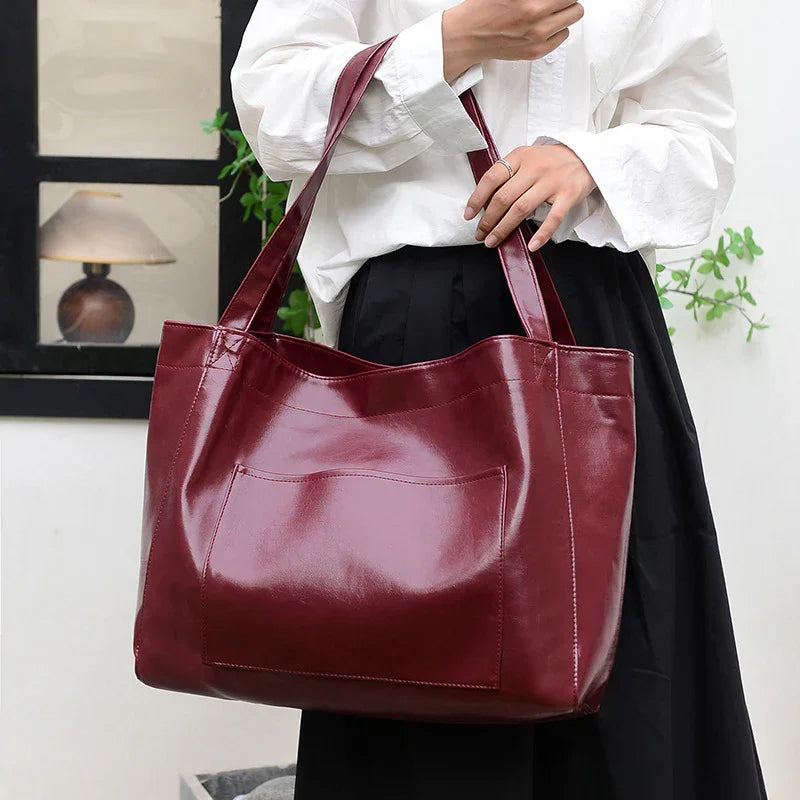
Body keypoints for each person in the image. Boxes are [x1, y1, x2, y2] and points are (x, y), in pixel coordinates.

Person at [231, 1, 768, 798]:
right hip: (414, 322)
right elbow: (276, 112)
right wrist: (452, 45)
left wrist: (590, 162)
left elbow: (702, 142)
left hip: (588, 308)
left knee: (621, 643)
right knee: (412, 649)